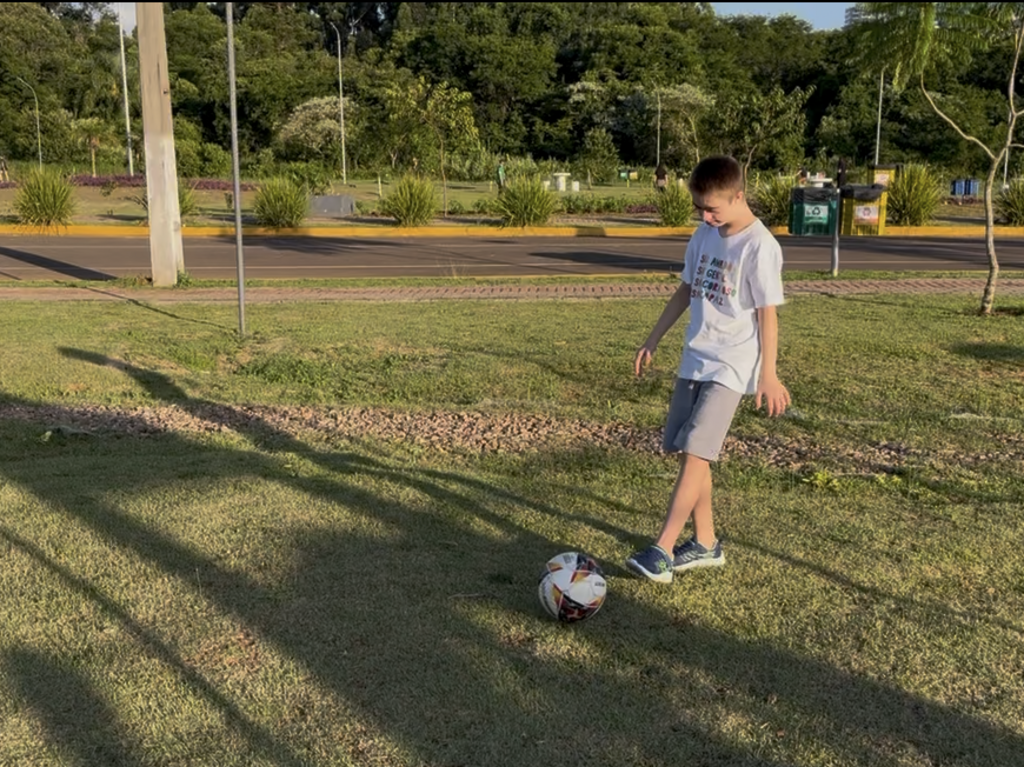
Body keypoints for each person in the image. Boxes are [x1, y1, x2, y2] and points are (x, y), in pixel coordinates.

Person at [626, 155, 791, 584]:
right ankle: (705, 543)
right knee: (691, 454)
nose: (705, 217)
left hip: (731, 366)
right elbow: (687, 289)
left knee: (697, 453)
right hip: (695, 357)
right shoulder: (703, 235)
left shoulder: (760, 246)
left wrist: (768, 374)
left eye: (713, 209)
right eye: (699, 208)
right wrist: (652, 339)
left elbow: (767, 315)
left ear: (739, 196)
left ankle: (662, 550)